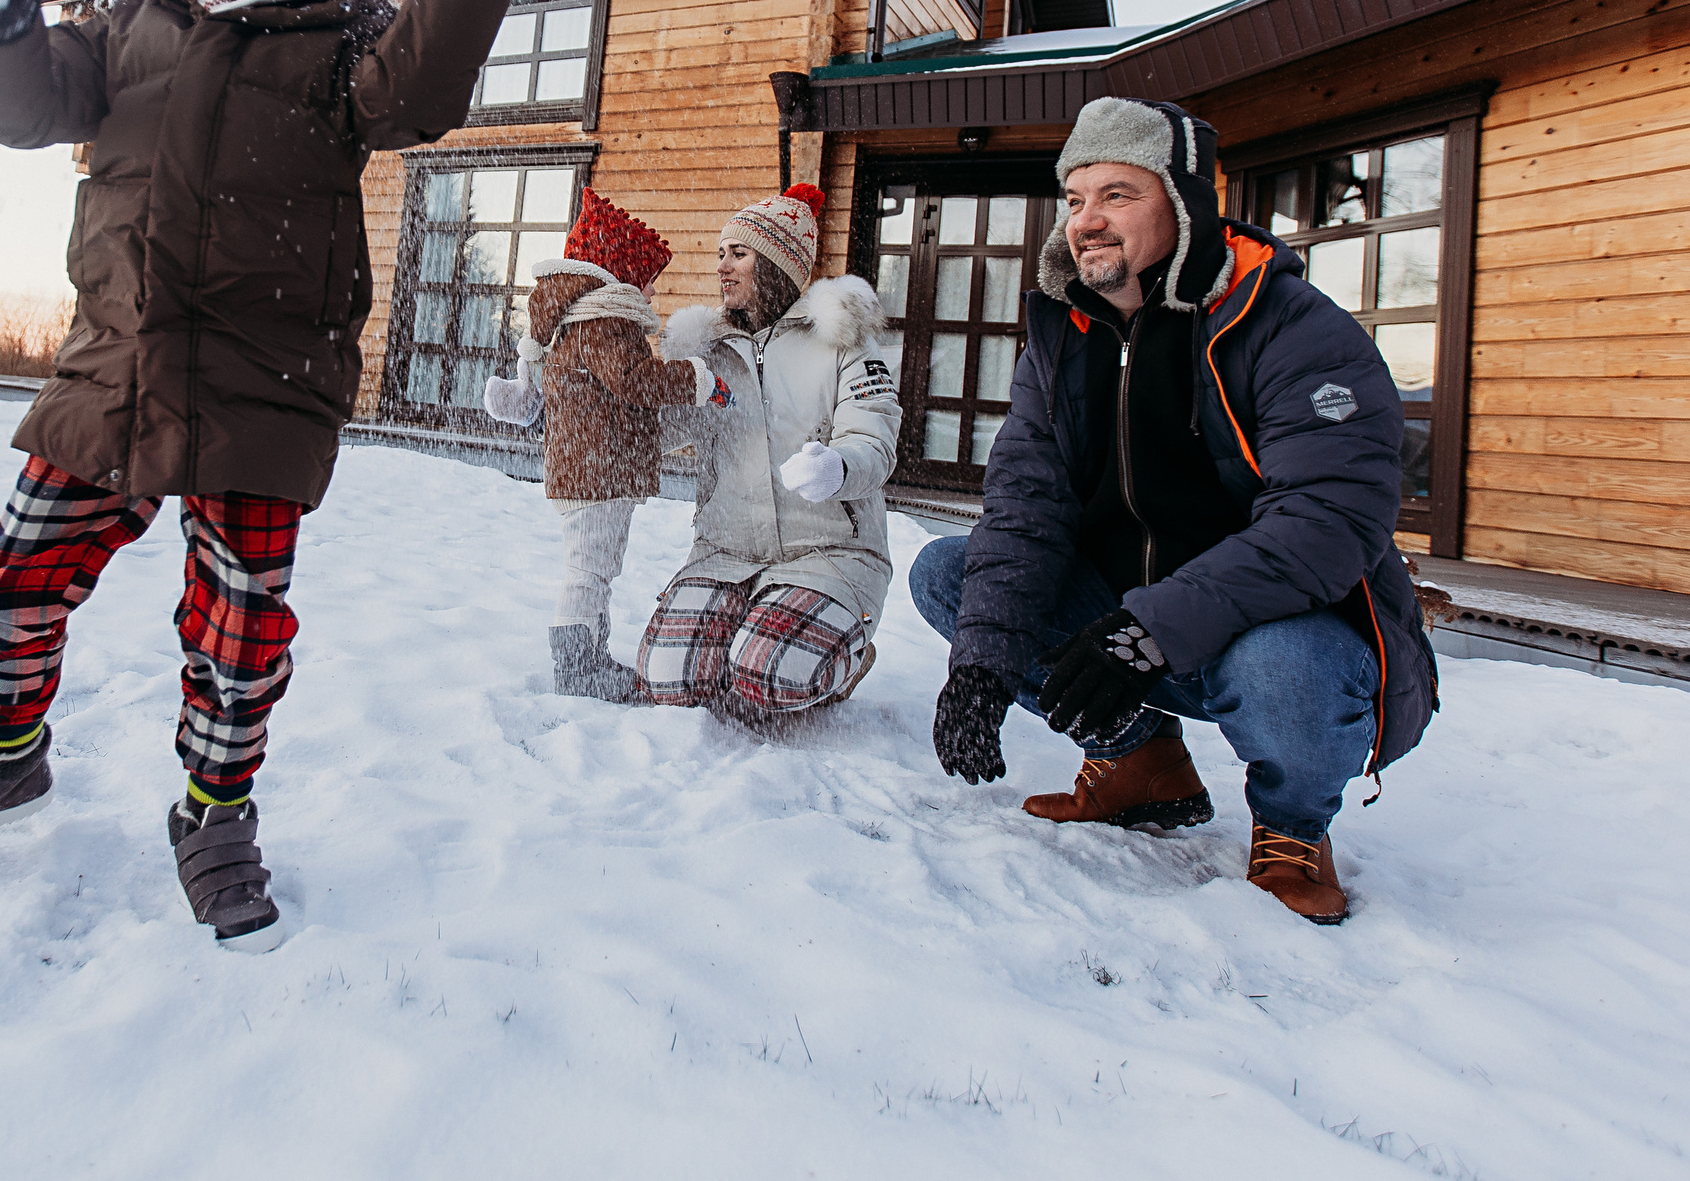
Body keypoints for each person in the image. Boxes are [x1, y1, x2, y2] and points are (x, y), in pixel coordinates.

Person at [0, 0, 547, 952]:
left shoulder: (349, 36)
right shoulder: (133, 26)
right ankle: (2, 753)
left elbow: (419, 93)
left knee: (237, 631)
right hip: (113, 368)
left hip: (265, 379)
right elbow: (29, 107)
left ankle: (214, 816)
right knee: (12, 580)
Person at [910, 96, 1437, 925]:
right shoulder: (1064, 335)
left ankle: (1293, 826)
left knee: (1284, 669)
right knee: (951, 573)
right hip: (1126, 625)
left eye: (1117, 194)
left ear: (1185, 205)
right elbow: (1023, 509)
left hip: (1268, 630)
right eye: (1075, 198)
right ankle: (1141, 764)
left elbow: (1324, 525)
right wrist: (982, 664)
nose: (1087, 219)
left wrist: (1148, 632)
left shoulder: (1289, 327)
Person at [643, 185, 902, 717]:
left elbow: (874, 438)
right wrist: (568, 407)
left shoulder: (842, 338)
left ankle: (848, 654)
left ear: (776, 264)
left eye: (738, 253)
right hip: (726, 551)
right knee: (672, 681)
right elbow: (654, 433)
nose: (722, 267)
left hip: (827, 552)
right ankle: (750, 622)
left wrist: (837, 467)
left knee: (770, 675)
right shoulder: (708, 350)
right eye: (721, 253)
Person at [483, 189, 733, 699]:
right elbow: (635, 381)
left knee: (597, 569)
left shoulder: (586, 324)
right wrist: (697, 378)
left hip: (593, 467)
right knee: (588, 571)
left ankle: (591, 657)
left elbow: (616, 406)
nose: (652, 292)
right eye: (646, 279)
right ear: (621, 275)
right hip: (595, 473)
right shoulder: (603, 324)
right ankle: (577, 669)